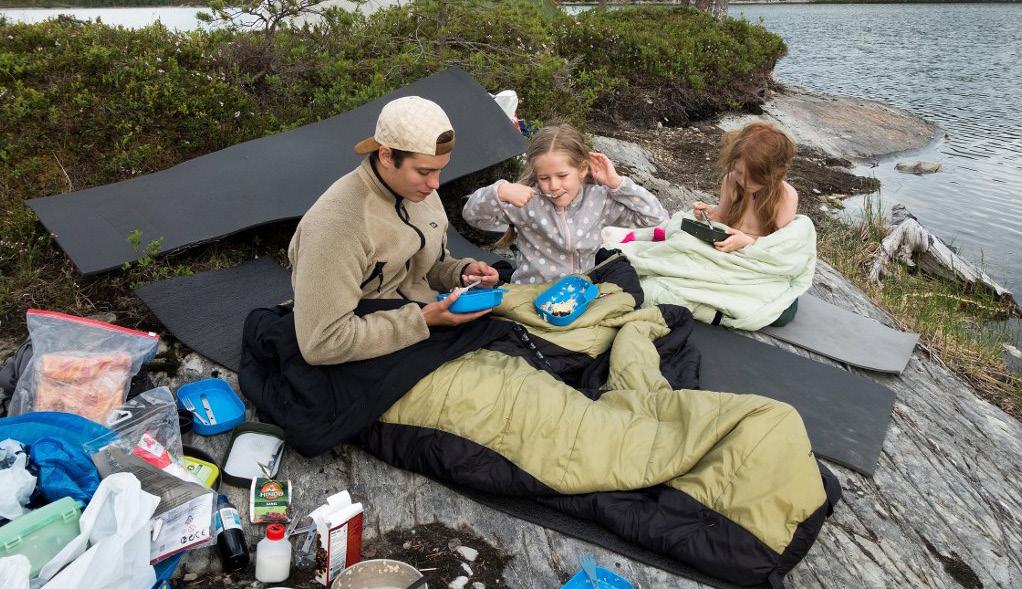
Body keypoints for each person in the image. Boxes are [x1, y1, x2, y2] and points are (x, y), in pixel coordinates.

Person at [288, 96, 499, 365]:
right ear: (386, 156)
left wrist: (461, 273)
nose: (435, 184)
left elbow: (424, 267)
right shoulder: (337, 226)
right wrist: (421, 320)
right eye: (424, 171)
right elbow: (323, 343)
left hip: (427, 322)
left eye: (440, 170)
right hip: (371, 352)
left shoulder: (419, 192)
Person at [462, 123, 668, 284]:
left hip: (577, 297)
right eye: (544, 178)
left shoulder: (598, 199)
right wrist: (500, 191)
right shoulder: (526, 200)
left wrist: (617, 184)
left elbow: (655, 219)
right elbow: (473, 216)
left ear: (582, 169)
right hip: (530, 293)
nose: (553, 185)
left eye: (562, 175)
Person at [693, 121, 798, 252]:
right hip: (728, 245)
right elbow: (721, 218)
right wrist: (708, 215)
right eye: (739, 172)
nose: (743, 181)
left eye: (753, 178)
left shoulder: (786, 195)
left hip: (759, 253)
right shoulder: (731, 180)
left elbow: (782, 244)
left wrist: (748, 242)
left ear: (773, 175)